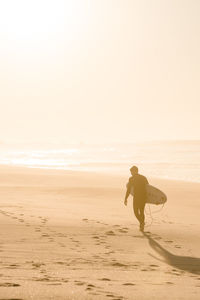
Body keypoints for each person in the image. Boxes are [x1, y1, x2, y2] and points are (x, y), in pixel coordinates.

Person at [124, 166, 149, 231]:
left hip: (137, 197)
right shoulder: (143, 177)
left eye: (131, 172)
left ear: (134, 171)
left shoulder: (131, 179)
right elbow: (148, 188)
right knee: (141, 212)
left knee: (136, 212)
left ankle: (141, 223)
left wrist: (126, 198)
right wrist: (149, 198)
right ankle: (142, 223)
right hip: (143, 197)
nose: (131, 173)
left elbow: (129, 189)